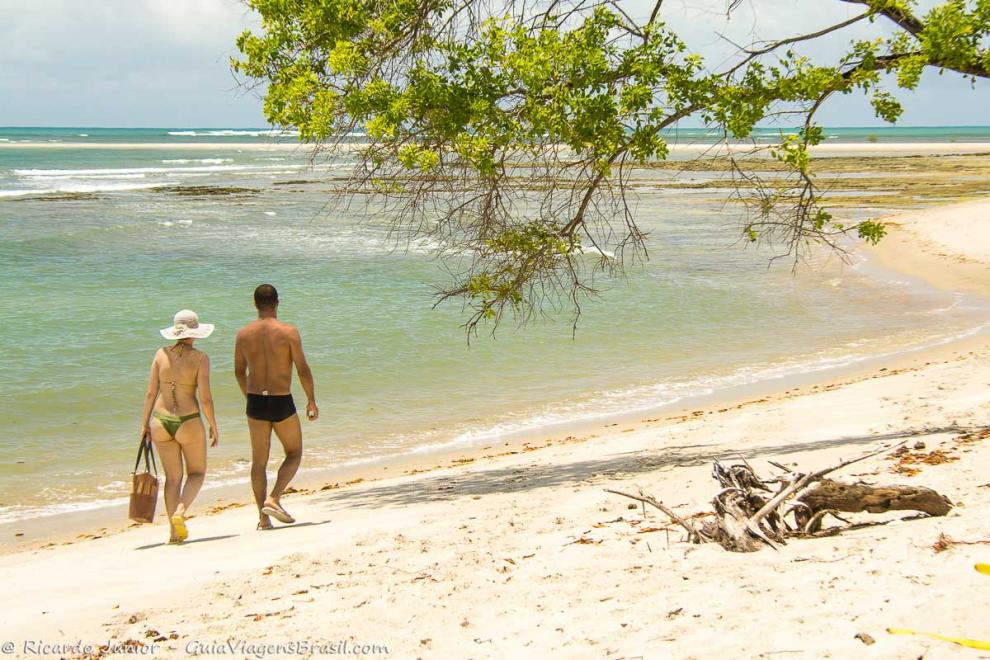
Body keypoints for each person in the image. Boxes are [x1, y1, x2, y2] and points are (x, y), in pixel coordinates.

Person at [234, 284, 318, 530]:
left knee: (258, 462)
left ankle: (263, 518)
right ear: (277, 302)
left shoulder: (243, 334)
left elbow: (239, 372)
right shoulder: (288, 332)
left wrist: (248, 396)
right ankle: (274, 498)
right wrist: (311, 399)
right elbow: (302, 369)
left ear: (255, 304)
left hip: (256, 401)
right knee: (294, 452)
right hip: (281, 399)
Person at [140, 309, 219, 544]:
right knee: (197, 473)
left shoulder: (160, 354)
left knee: (173, 478)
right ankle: (180, 513)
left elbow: (150, 393)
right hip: (188, 421)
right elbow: (205, 397)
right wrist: (213, 424)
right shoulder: (200, 359)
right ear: (194, 333)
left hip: (160, 421)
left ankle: (174, 534)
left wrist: (144, 424)